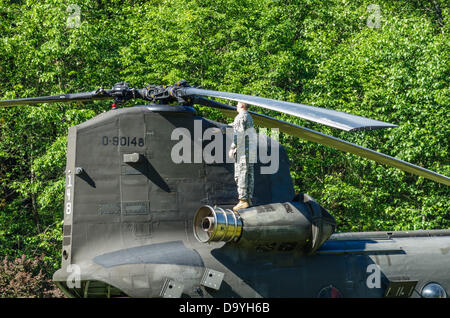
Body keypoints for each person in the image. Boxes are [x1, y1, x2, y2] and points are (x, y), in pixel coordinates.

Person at [228, 101, 255, 211]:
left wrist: (232, 148)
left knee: (241, 174)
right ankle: (248, 199)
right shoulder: (248, 117)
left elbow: (238, 135)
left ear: (242, 106)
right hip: (250, 150)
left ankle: (243, 200)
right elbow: (238, 127)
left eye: (237, 104)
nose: (236, 106)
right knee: (249, 174)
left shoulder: (239, 117)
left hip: (243, 151)